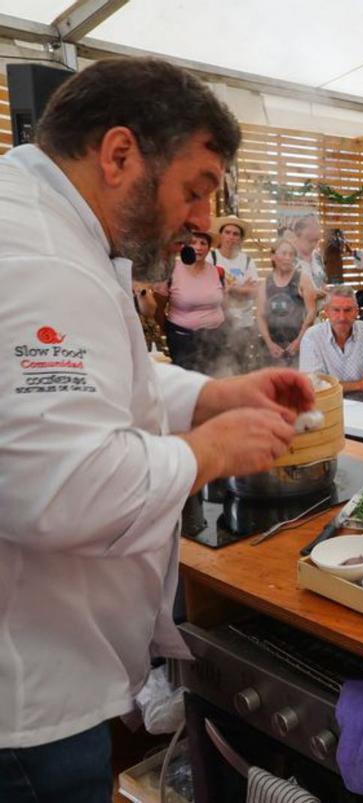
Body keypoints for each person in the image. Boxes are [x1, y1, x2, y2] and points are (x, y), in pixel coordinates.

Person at [0, 57, 309, 800]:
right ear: (118, 154)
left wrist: (213, 394)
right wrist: (204, 452)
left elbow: (106, 385)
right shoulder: (40, 259)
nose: (201, 218)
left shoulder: (50, 227)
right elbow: (60, 489)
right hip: (27, 702)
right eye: (195, 189)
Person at [299, 285, 363, 404]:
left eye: (348, 310)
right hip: (327, 408)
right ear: (327, 312)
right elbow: (314, 386)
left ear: (356, 311)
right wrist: (360, 385)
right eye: (336, 310)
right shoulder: (312, 337)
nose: (342, 317)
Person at [157, 230, 227, 373]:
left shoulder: (217, 272)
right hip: (182, 340)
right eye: (193, 242)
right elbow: (158, 308)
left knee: (215, 377)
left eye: (203, 243)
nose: (199, 247)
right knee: (187, 383)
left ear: (209, 247)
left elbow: (223, 303)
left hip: (214, 338)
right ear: (184, 245)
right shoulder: (171, 270)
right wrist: (172, 331)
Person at [257, 238, 318, 367]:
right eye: (284, 253)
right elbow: (260, 315)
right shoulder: (265, 283)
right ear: (272, 256)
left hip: (298, 341)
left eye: (291, 254)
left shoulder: (302, 279)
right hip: (273, 345)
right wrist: (269, 343)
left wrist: (299, 341)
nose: (288, 258)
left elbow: (311, 312)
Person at [211, 214, 260, 371]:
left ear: (240, 239)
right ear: (221, 235)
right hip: (219, 323)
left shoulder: (247, 261)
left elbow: (255, 291)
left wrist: (230, 288)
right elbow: (211, 291)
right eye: (227, 232)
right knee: (219, 367)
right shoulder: (211, 258)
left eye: (235, 234)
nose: (231, 237)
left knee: (242, 367)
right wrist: (242, 288)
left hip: (244, 324)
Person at [287, 212, 328, 312]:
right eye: (312, 226)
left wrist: (324, 291)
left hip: (316, 316)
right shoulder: (287, 255)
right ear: (298, 231)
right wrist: (309, 293)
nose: (317, 230)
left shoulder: (317, 256)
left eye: (317, 226)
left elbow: (322, 281)